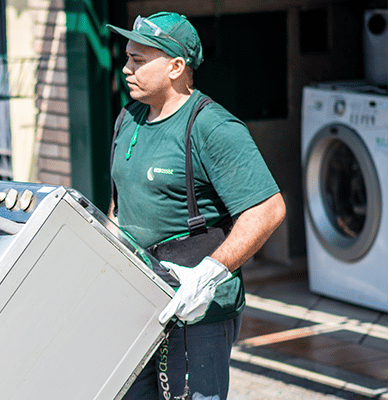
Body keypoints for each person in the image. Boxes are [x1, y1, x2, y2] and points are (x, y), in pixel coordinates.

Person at [106, 12, 286, 400]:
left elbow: (268, 210)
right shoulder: (128, 118)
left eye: (138, 60)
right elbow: (119, 204)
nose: (126, 69)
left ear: (175, 67)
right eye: (127, 57)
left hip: (196, 311)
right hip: (140, 304)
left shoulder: (212, 127)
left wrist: (207, 275)